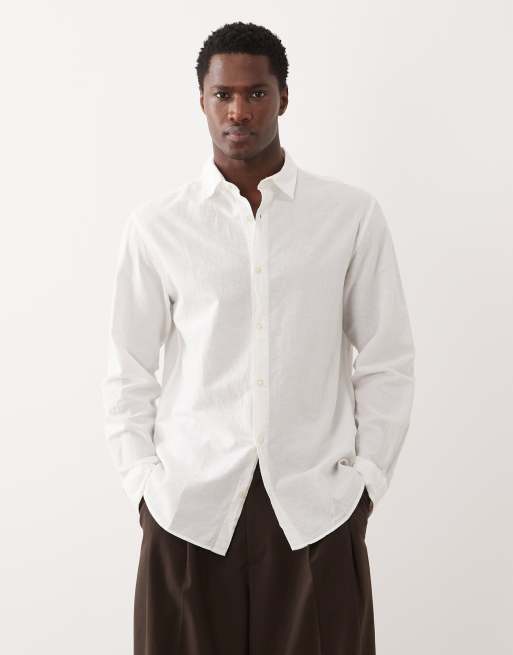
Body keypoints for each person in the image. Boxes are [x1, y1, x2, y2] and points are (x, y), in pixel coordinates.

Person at [101, 20, 415, 655]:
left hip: (315, 512)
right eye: (223, 95)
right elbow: (127, 371)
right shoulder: (158, 226)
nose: (238, 111)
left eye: (256, 93)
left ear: (283, 98)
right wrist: (145, 488)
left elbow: (386, 360)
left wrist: (366, 483)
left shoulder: (349, 216)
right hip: (189, 512)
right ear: (202, 100)